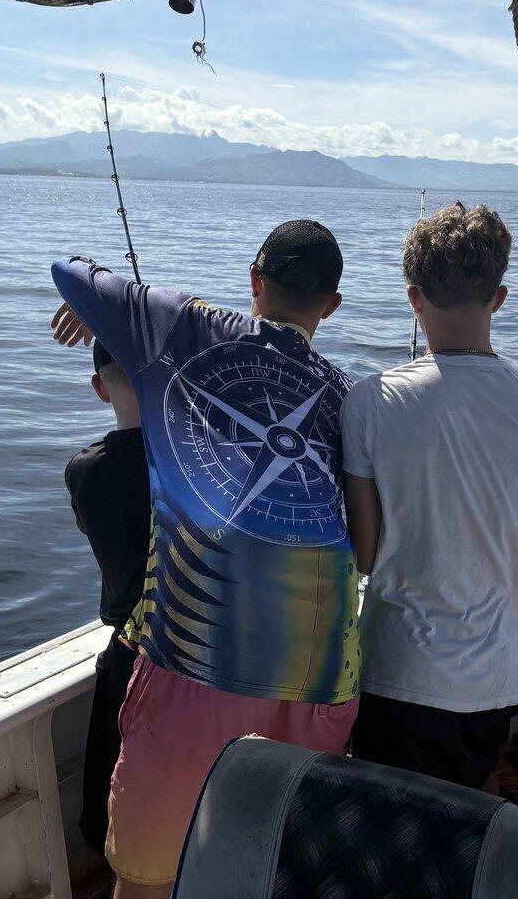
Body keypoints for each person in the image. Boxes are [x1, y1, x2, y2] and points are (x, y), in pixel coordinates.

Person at [49, 220, 360, 899]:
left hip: (197, 672)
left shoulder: (186, 328)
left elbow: (67, 268)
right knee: (269, 872)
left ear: (254, 281)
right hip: (323, 684)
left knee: (145, 878)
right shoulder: (349, 396)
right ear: (330, 307)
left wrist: (97, 299)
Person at [340, 202, 518, 790]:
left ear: (414, 298)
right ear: (500, 297)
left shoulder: (368, 403)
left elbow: (364, 557)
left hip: (398, 676)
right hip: (500, 680)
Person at [64, 339, 151, 858]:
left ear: (100, 389)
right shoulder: (206, 461)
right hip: (208, 651)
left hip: (132, 660)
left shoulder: (86, 472)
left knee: (111, 828)